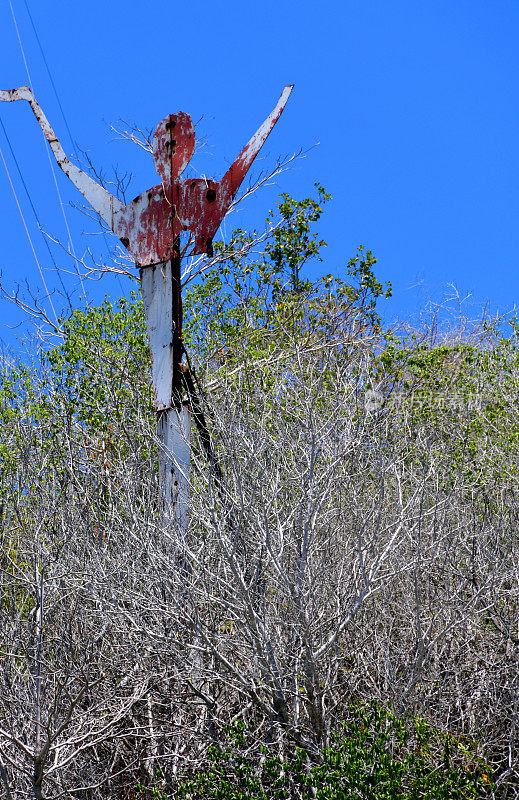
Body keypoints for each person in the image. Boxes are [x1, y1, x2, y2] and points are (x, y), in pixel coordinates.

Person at [0, 85, 293, 265]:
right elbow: (68, 168)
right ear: (155, 151)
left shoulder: (201, 194)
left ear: (188, 151)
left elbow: (240, 169)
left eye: (177, 145)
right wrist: (34, 107)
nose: (168, 154)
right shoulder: (140, 210)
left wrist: (278, 108)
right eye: (163, 146)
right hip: (151, 262)